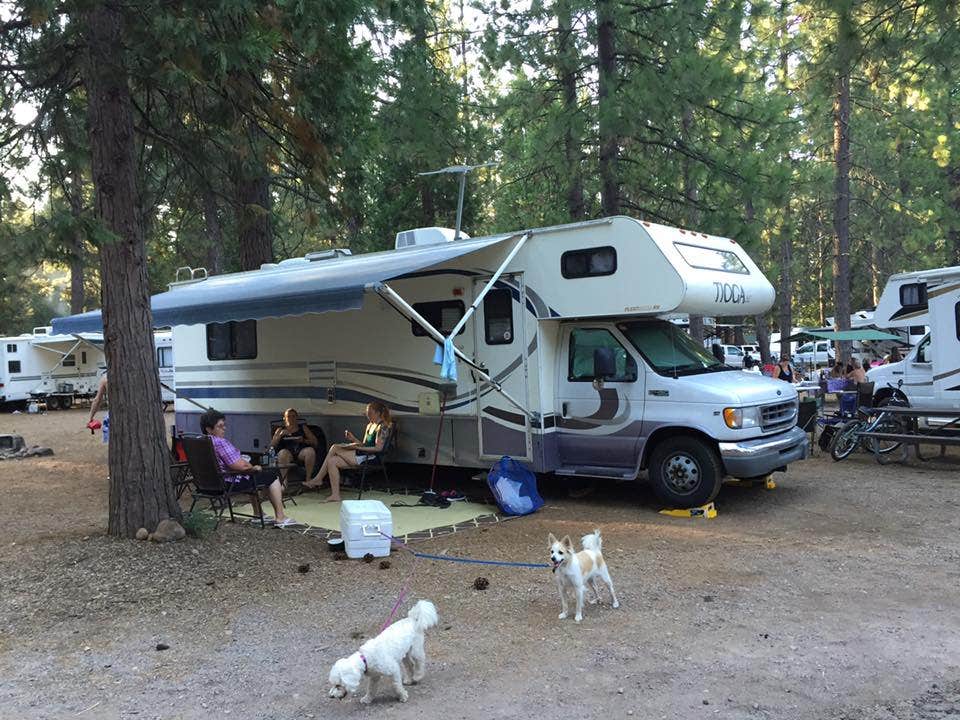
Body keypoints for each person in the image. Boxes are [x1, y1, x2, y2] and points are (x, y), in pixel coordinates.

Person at [200, 408, 296, 527]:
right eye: (220, 426)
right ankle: (280, 517)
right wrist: (253, 467)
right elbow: (240, 465)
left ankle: (258, 514)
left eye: (224, 425)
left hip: (207, 484)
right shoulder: (219, 442)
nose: (224, 428)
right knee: (271, 476)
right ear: (209, 429)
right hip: (227, 483)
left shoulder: (201, 442)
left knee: (251, 476)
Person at [304, 401, 394, 502]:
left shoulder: (383, 427)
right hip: (362, 454)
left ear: (378, 413)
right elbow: (364, 444)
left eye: (370, 413)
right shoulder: (369, 425)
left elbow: (378, 448)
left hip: (370, 457)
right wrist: (353, 440)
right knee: (332, 461)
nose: (368, 415)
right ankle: (335, 495)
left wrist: (357, 448)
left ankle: (318, 478)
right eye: (367, 413)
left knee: (335, 447)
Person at [269, 408, 318, 485]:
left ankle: (308, 479)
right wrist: (280, 435)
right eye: (289, 416)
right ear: (285, 418)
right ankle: (284, 482)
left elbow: (315, 442)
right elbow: (271, 446)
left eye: (293, 416)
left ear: (297, 417)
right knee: (282, 453)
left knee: (310, 451)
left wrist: (303, 440)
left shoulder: (303, 428)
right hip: (287, 452)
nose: (291, 419)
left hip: (300, 451)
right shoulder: (280, 429)